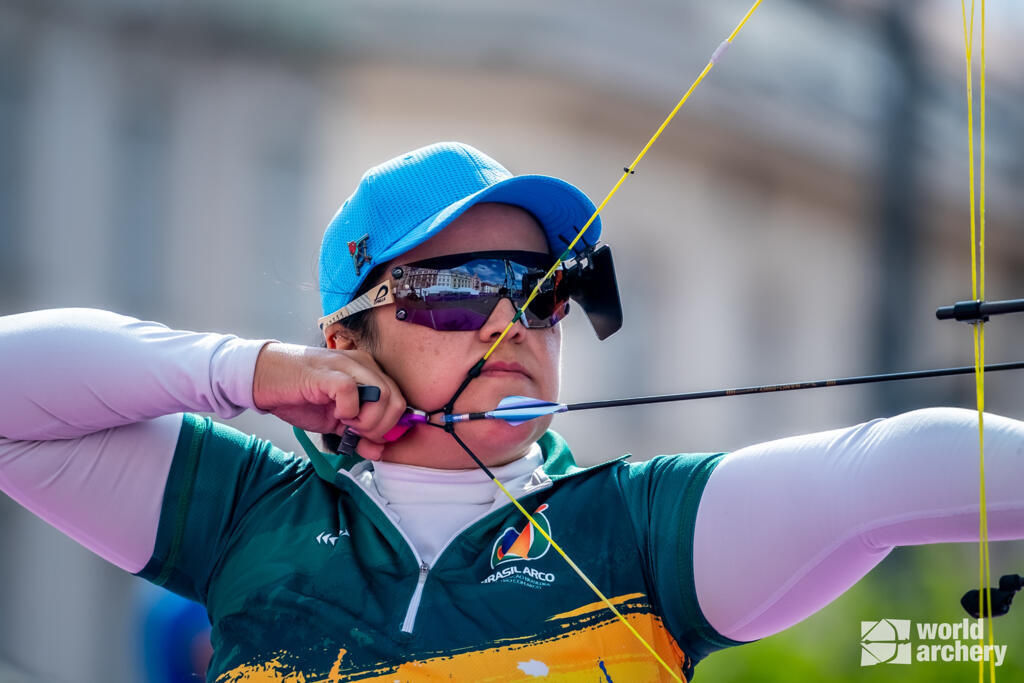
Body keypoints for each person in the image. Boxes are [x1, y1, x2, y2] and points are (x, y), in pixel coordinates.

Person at [1, 141, 1023, 682]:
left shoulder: (631, 535)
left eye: (540, 292)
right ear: (346, 337)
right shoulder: (245, 517)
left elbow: (893, 467)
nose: (512, 324)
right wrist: (247, 370)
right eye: (458, 291)